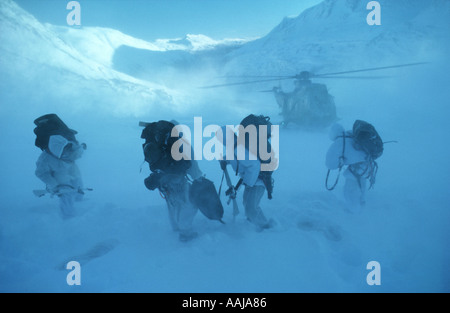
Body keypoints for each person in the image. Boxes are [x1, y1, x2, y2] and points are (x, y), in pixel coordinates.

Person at [141, 120, 201, 242]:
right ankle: (185, 233)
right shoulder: (182, 144)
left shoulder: (159, 142)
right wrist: (198, 178)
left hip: (162, 181)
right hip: (177, 179)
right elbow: (192, 165)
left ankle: (175, 227)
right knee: (188, 204)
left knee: (171, 202)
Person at [218, 115, 277, 231]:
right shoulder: (236, 146)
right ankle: (254, 220)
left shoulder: (237, 148)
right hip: (254, 180)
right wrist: (225, 159)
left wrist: (248, 183)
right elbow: (238, 159)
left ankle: (265, 227)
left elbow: (254, 165)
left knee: (251, 207)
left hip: (259, 181)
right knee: (247, 203)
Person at [325, 121, 383, 211]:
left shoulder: (339, 143)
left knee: (350, 194)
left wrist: (341, 162)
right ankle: (363, 213)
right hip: (366, 167)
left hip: (355, 171)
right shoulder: (351, 135)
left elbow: (330, 164)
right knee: (361, 191)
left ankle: (354, 217)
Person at [35, 128, 86, 219]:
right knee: (66, 192)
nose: (65, 153)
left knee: (78, 185)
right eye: (62, 152)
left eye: (65, 150)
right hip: (58, 174)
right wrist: (54, 184)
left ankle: (80, 202)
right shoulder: (44, 159)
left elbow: (77, 152)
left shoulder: (69, 146)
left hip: (72, 168)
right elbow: (41, 173)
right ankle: (68, 216)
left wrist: (81, 148)